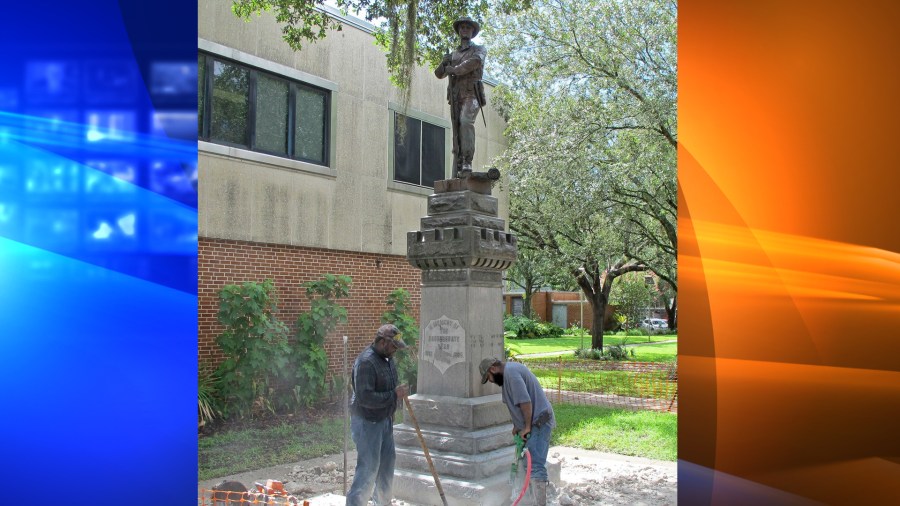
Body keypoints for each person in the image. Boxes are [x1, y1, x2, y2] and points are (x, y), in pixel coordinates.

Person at [346, 324, 409, 506]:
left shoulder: (387, 359)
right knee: (368, 470)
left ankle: (382, 503)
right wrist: (394, 395)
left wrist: (394, 399)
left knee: (387, 468)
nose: (395, 351)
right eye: (393, 347)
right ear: (382, 342)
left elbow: (390, 387)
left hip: (384, 421)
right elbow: (365, 398)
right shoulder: (366, 362)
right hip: (367, 423)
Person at [480, 357, 555, 506]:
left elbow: (525, 402)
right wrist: (517, 425)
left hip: (539, 422)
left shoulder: (512, 374)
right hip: (534, 423)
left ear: (493, 369)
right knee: (529, 464)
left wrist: (526, 426)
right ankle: (532, 501)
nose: (491, 381)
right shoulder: (509, 374)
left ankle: (540, 503)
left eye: (488, 377)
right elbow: (516, 404)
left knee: (535, 465)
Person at [434, 16, 487, 178]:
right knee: (457, 131)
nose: (465, 29)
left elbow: (474, 62)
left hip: (472, 94)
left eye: (468, 27)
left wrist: (454, 70)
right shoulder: (453, 54)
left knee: (465, 122)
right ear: (458, 31)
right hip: (456, 96)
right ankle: (458, 163)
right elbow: (439, 74)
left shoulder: (479, 49)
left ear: (473, 31)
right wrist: (444, 64)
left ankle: (467, 160)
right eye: (462, 27)